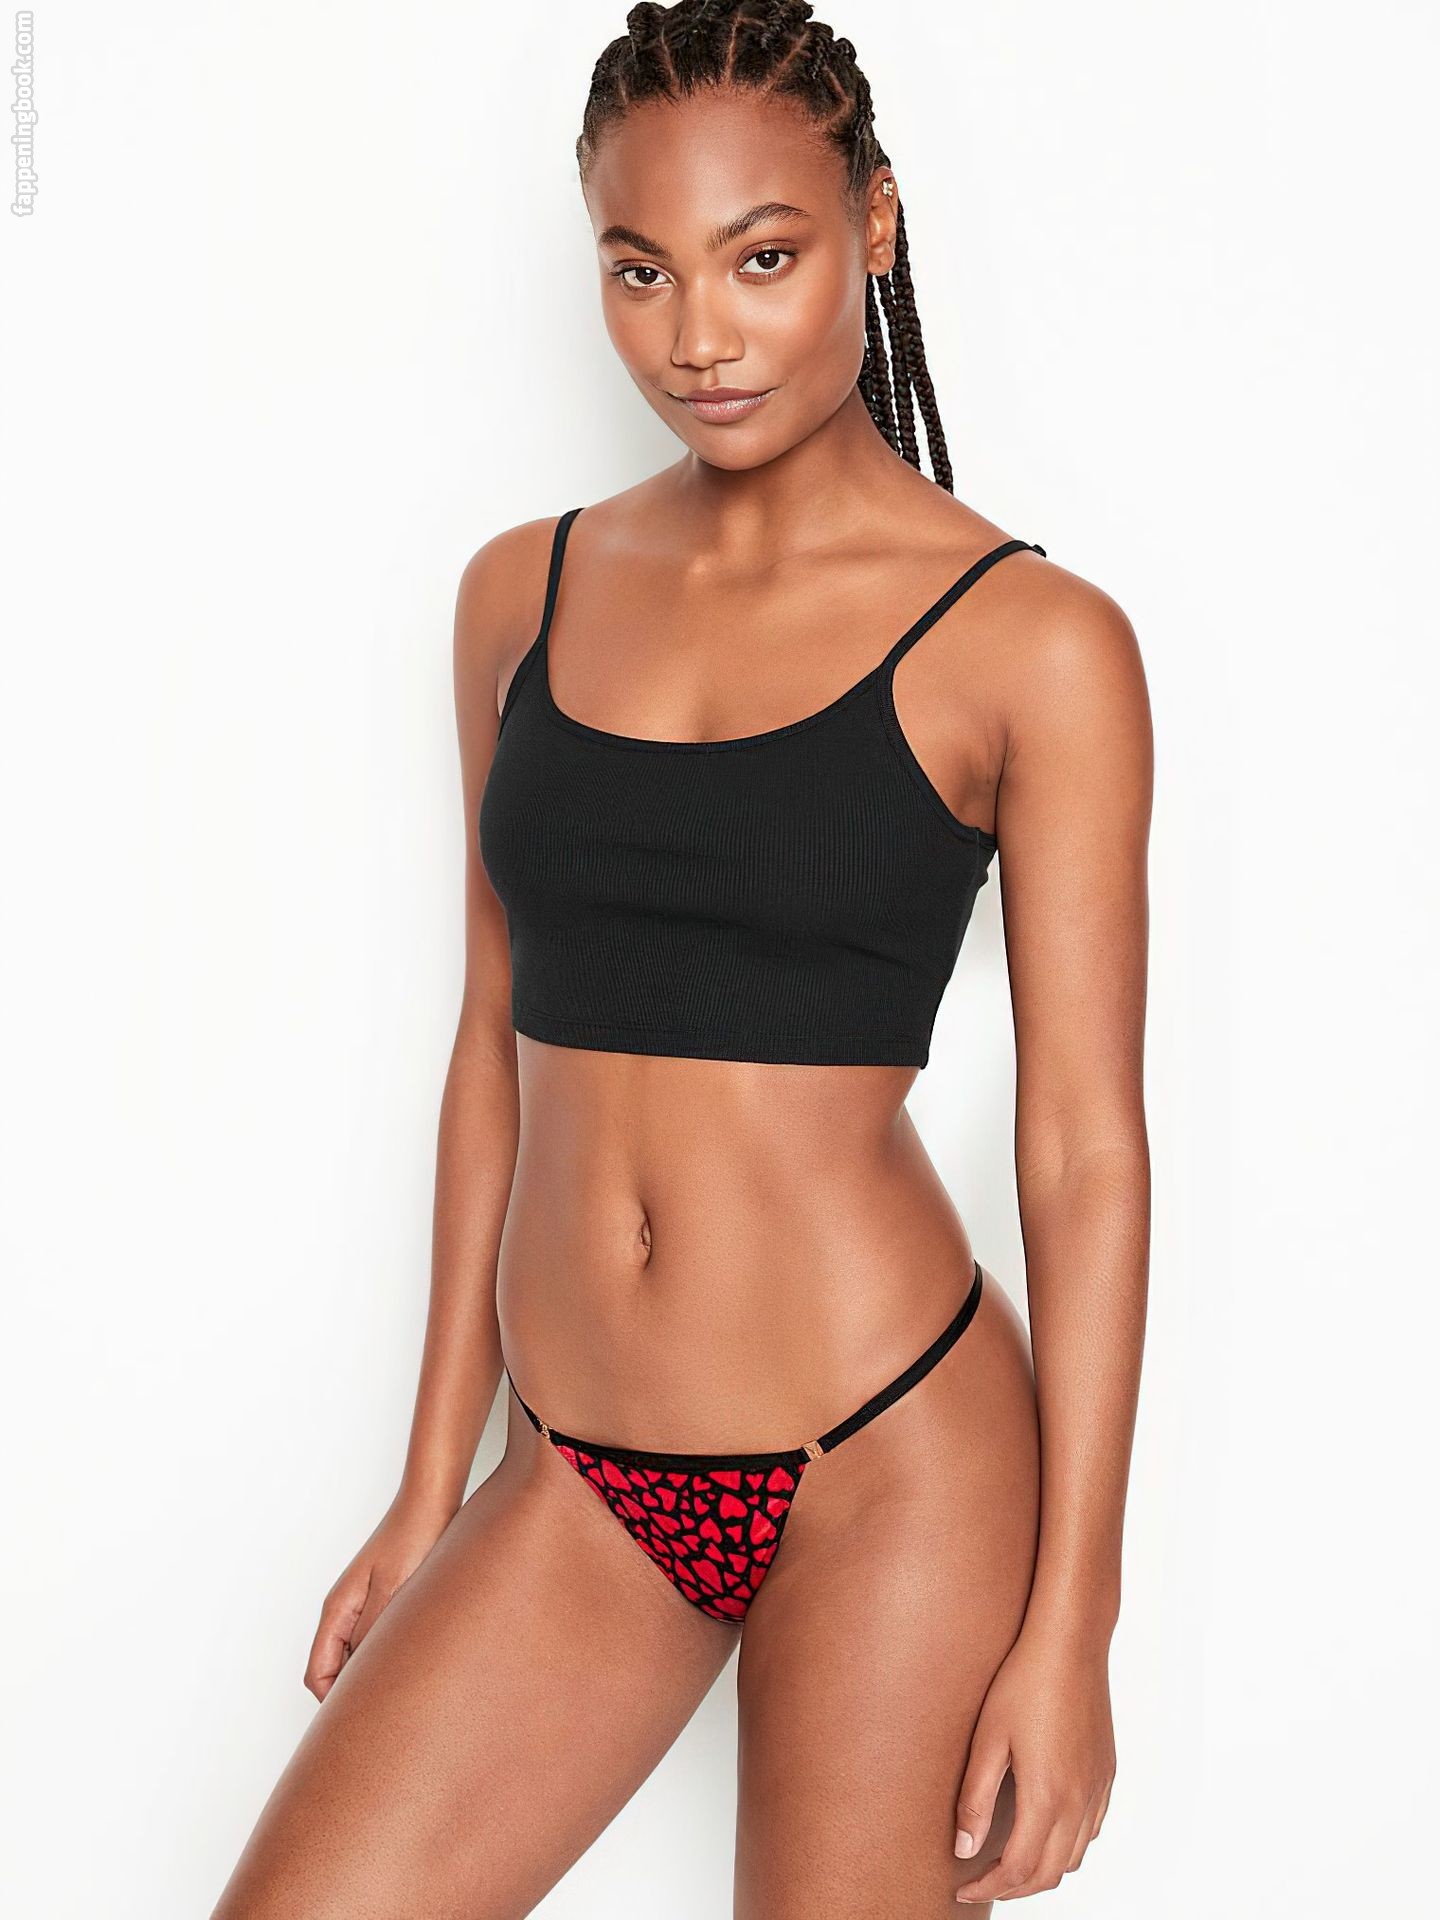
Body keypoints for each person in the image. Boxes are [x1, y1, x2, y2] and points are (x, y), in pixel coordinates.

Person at [212, 2, 1153, 1912]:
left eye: (762, 258)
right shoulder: (521, 595)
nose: (698, 337)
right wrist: (430, 1481)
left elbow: (1081, 1151)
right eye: (639, 271)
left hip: (890, 1459)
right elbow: (492, 1041)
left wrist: (1075, 1626)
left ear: (874, 223)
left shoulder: (1033, 644)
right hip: (580, 1474)